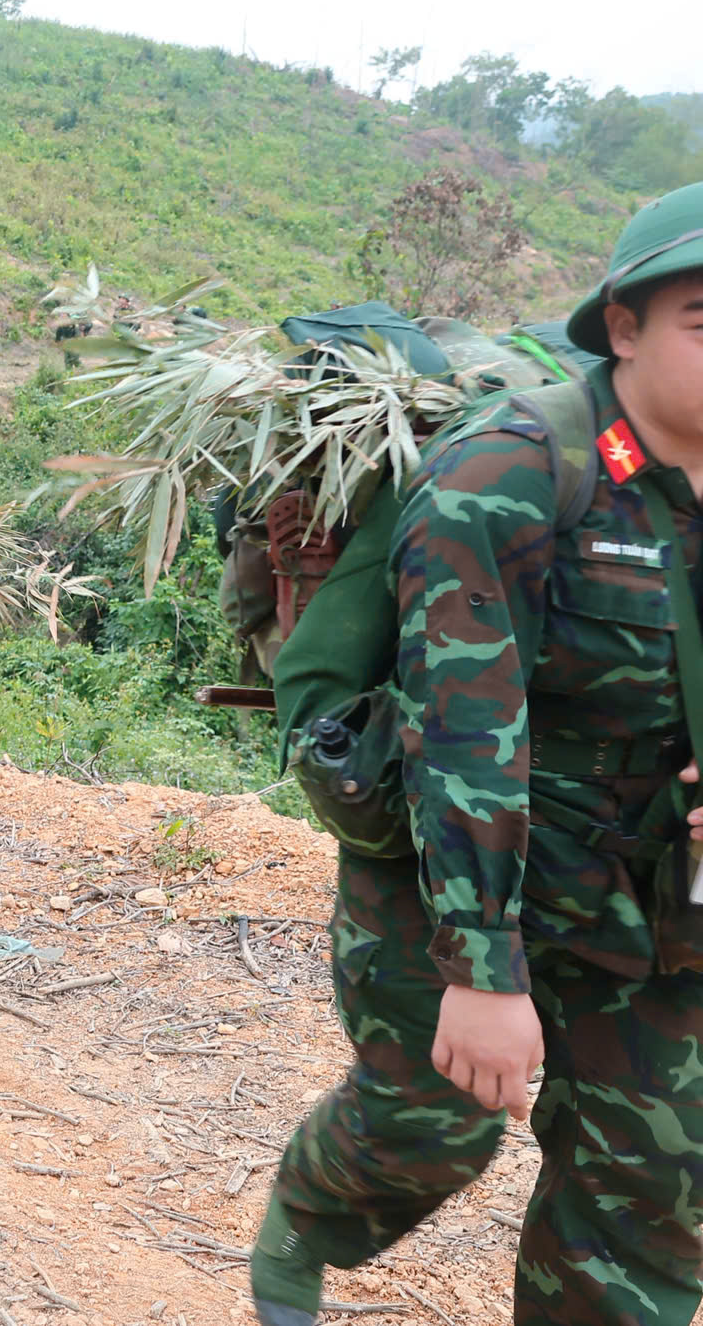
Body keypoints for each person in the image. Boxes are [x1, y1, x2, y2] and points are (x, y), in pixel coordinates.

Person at [251, 182, 703, 1326]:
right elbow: (460, 732)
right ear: (623, 327)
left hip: (650, 887)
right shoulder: (509, 471)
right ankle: (309, 1212)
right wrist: (481, 968)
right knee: (430, 1126)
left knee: (656, 1172)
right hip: (456, 861)